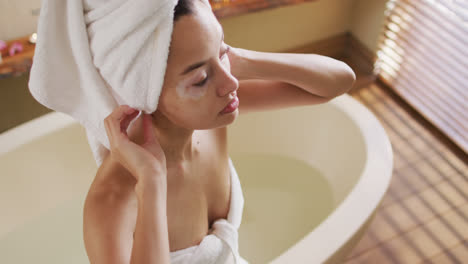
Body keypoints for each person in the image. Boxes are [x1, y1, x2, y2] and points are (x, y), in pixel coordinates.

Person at [82, 0, 356, 263]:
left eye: (221, 54)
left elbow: (340, 80)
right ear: (143, 95)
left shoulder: (208, 117)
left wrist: (236, 58)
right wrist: (151, 182)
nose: (231, 83)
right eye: (200, 79)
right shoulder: (112, 199)